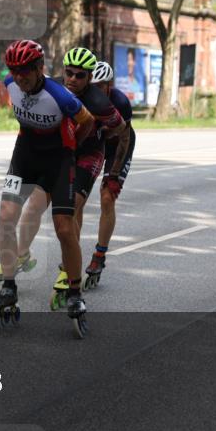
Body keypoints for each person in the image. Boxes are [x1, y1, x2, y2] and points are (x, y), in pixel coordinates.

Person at [0, 39, 96, 337]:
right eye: (15, 71)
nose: (20, 77)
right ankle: (9, 286)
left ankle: (75, 292)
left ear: (40, 68)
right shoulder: (10, 82)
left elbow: (86, 121)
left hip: (59, 160)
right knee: (6, 217)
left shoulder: (60, 95)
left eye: (26, 71)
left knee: (64, 227)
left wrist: (72, 146)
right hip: (24, 155)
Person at [14, 48, 125, 305]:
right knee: (34, 206)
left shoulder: (98, 102)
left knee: (72, 208)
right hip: (63, 152)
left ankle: (67, 269)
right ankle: (21, 254)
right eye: (69, 73)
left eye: (80, 75)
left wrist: (101, 136)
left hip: (89, 154)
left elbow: (119, 127)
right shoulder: (53, 88)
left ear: (88, 78)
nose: (73, 79)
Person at [85, 61, 135, 286]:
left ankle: (99, 255)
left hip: (119, 146)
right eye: (93, 85)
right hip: (96, 143)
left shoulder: (120, 102)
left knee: (107, 197)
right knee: (77, 197)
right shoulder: (82, 97)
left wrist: (114, 175)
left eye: (101, 86)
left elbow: (124, 138)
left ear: (109, 85)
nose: (97, 90)